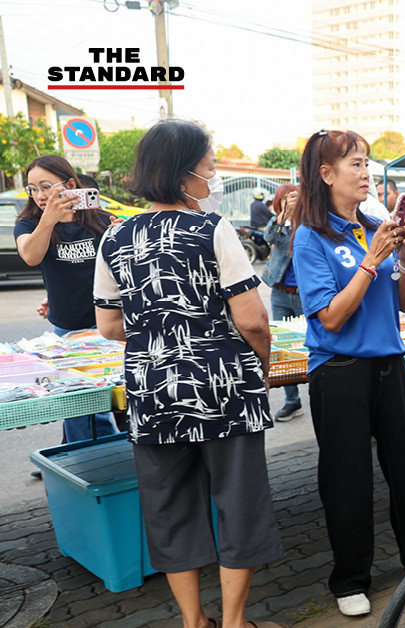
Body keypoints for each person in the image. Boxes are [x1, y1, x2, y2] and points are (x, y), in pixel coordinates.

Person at [92, 119, 284, 628]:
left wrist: (157, 326)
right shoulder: (211, 228)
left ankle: (193, 621)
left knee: (169, 505)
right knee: (237, 502)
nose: (214, 175)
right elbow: (253, 320)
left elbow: (110, 325)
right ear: (182, 175)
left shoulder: (114, 237)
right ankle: (237, 621)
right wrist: (261, 369)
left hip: (152, 389)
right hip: (223, 384)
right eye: (209, 166)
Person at [290, 129, 405, 617]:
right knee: (347, 479)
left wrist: (402, 259)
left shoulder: (376, 223)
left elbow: (403, 303)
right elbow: (330, 316)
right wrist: (371, 262)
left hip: (389, 365)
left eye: (367, 162)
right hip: (340, 370)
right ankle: (350, 578)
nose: (365, 171)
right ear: (326, 174)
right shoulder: (312, 236)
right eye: (354, 163)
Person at [15, 155, 119, 448]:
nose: (39, 195)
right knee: (82, 409)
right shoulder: (28, 224)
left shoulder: (99, 220)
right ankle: (93, 462)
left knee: (117, 403)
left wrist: (120, 235)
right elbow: (31, 256)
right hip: (68, 334)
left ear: (70, 184)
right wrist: (47, 221)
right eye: (32, 189)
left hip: (110, 327)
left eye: (46, 186)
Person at [260, 183, 305, 422]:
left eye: (294, 197)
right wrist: (283, 216)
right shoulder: (279, 223)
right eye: (286, 198)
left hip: (304, 294)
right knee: (282, 347)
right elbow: (270, 237)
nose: (291, 201)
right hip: (279, 292)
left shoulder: (308, 222)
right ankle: (292, 401)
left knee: (311, 345)